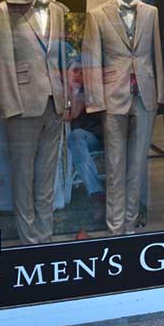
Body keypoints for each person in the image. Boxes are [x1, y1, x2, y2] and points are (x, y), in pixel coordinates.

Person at [65, 57, 106, 222]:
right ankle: (97, 195)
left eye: (82, 72)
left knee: (76, 137)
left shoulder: (86, 90)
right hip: (79, 140)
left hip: (96, 136)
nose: (78, 75)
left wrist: (73, 89)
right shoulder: (63, 90)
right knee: (75, 139)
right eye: (75, 71)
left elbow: (72, 114)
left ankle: (97, 196)